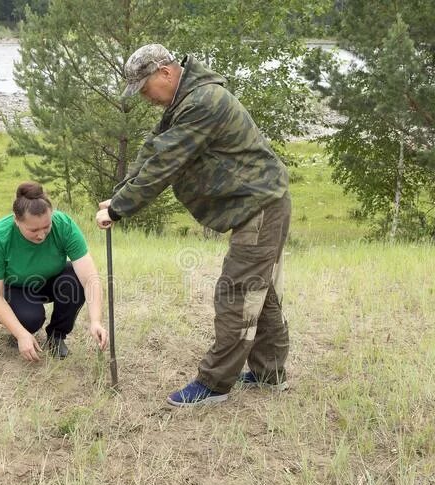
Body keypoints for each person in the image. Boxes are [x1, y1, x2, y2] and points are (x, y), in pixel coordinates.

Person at [96, 44, 292, 406]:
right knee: (257, 290)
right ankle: (269, 373)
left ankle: (215, 384)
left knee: (237, 292)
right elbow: (153, 150)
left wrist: (121, 209)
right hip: (256, 202)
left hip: (260, 204)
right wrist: (119, 196)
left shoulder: (203, 101)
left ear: (165, 73)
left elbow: (166, 162)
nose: (145, 97)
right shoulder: (183, 101)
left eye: (144, 88)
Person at [0, 182, 108, 361]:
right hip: (17, 287)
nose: (41, 235)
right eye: (33, 230)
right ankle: (20, 331)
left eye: (46, 227)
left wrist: (95, 321)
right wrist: (21, 334)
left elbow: (90, 279)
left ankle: (56, 337)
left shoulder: (63, 225)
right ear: (16, 221)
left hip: (51, 280)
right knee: (31, 320)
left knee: (75, 280)